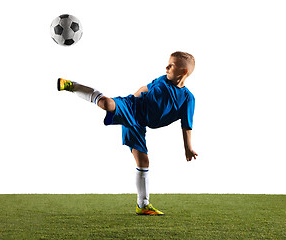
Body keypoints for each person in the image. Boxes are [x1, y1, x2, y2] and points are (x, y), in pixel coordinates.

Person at [57, 51, 198, 215]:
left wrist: (187, 148)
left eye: (171, 65)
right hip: (133, 107)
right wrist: (132, 98)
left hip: (139, 124)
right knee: (106, 103)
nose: (166, 67)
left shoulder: (188, 99)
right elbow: (144, 88)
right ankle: (71, 85)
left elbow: (186, 125)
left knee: (143, 161)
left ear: (183, 72)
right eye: (168, 63)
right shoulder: (162, 79)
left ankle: (143, 205)